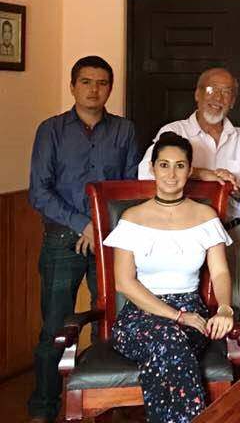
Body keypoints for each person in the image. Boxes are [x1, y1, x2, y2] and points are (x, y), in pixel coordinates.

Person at [27, 56, 139, 423]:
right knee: (55, 328)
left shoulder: (124, 130)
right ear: (73, 86)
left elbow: (130, 188)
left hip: (110, 240)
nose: (94, 89)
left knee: (114, 321)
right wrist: (83, 225)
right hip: (62, 238)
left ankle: (109, 401)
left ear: (111, 88)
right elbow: (39, 192)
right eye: (86, 82)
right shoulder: (51, 130)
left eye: (102, 83)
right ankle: (44, 407)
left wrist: (100, 227)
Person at [106, 132, 235, 423]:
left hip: (192, 311)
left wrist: (225, 308)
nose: (171, 174)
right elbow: (124, 283)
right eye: (164, 165)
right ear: (152, 168)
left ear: (190, 170)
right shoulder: (131, 218)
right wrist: (177, 317)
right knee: (167, 338)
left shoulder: (206, 216)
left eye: (180, 165)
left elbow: (220, 272)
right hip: (139, 314)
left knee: (169, 342)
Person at [138, 67, 240, 316]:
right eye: (211, 89)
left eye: (226, 92)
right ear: (197, 94)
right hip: (179, 236)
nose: (218, 97)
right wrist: (204, 174)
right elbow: (146, 174)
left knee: (230, 307)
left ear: (233, 101)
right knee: (182, 308)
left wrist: (232, 189)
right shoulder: (174, 131)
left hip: (230, 233)